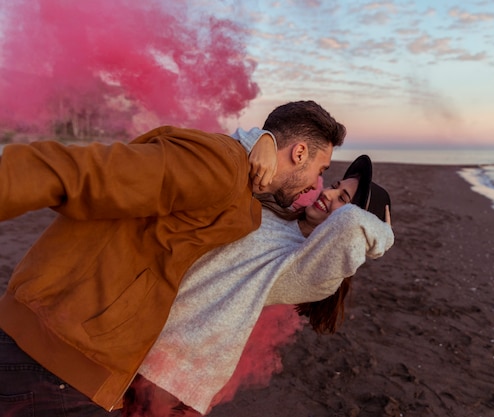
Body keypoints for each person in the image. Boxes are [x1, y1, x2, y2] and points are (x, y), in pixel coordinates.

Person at [0, 100, 345, 416]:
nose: (318, 182)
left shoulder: (242, 189)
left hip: (74, 358)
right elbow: (88, 173)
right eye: (321, 167)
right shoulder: (221, 165)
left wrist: (262, 138)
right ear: (300, 152)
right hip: (52, 355)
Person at [123, 155, 394, 416]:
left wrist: (382, 233)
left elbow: (350, 224)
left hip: (179, 372)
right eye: (335, 186)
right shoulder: (282, 214)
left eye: (343, 199)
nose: (329, 193)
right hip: (146, 336)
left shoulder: (308, 272)